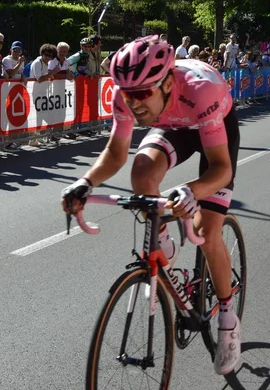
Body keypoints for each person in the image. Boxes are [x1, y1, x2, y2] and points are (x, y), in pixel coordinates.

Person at [61, 35, 241, 375]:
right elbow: (116, 154)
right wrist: (85, 183)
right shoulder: (127, 96)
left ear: (168, 81)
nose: (135, 103)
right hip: (172, 124)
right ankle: (162, 250)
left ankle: (229, 320)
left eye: (143, 94)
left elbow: (221, 168)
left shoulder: (200, 91)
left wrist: (191, 190)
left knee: (208, 230)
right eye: (129, 95)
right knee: (142, 173)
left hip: (211, 124)